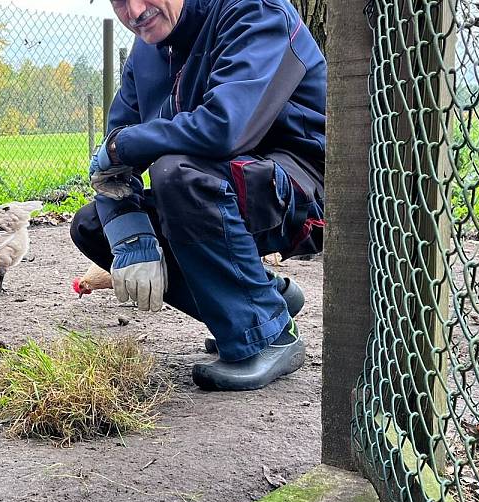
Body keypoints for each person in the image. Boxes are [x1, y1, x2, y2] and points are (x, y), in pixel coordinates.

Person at [71, 0, 326, 391]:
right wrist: (128, 228)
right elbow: (110, 164)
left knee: (176, 174)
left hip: (302, 193)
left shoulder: (256, 13)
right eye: (119, 0)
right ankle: (264, 301)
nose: (135, 10)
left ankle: (269, 335)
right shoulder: (145, 52)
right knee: (95, 226)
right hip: (217, 185)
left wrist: (126, 144)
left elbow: (224, 128)